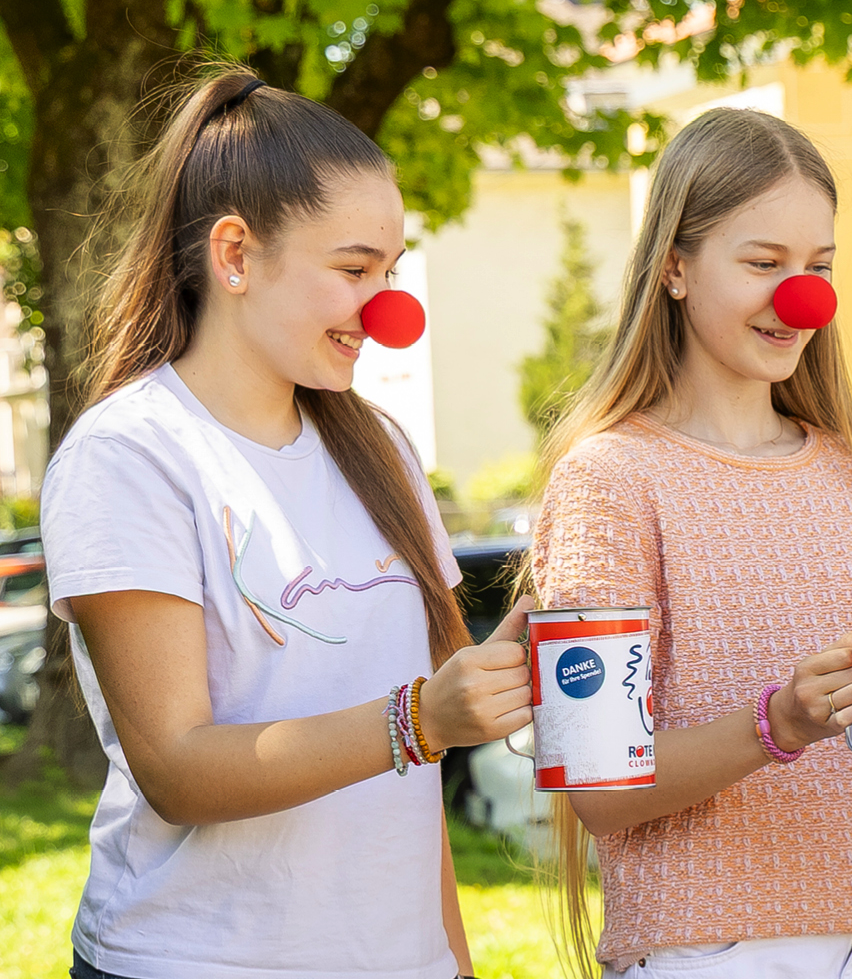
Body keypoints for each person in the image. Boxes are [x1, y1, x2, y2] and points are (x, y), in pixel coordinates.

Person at [39, 69, 535, 979]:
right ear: (234, 254)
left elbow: (416, 787)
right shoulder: (130, 455)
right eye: (354, 270)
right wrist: (417, 719)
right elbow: (178, 770)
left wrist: (453, 961)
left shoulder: (382, 449)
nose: (387, 311)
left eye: (390, 272)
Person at [529, 107, 852, 979]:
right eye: (764, 264)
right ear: (676, 267)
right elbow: (596, 790)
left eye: (818, 267)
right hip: (706, 952)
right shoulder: (608, 480)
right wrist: (777, 724)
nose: (801, 298)